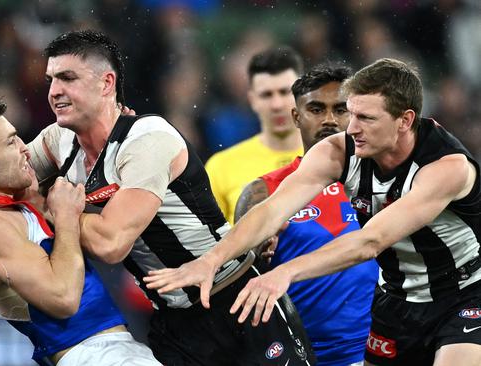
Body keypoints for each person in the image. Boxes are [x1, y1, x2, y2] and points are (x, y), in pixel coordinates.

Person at [144, 58, 481, 366]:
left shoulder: (445, 168)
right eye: (353, 114)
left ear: (405, 120)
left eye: (366, 118)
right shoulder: (337, 151)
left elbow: (371, 241)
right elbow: (272, 209)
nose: (351, 128)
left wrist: (284, 273)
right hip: (397, 297)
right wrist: (211, 259)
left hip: (466, 291)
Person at [27, 30, 315, 366]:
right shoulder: (57, 140)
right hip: (173, 322)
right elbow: (4, 173)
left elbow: (111, 243)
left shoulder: (147, 138)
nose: (54, 92)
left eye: (67, 78)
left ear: (106, 84)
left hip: (236, 299)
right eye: (51, 80)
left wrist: (49, 205)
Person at [0, 100, 161, 366]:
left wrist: (113, 128)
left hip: (113, 350)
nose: (25, 148)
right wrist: (65, 218)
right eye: (11, 142)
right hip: (92, 355)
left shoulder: (10, 202)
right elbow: (64, 298)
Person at [234, 64, 378, 366]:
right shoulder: (264, 193)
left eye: (340, 109)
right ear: (296, 117)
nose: (328, 120)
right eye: (316, 109)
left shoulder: (387, 181)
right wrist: (255, 254)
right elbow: (240, 279)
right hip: (302, 357)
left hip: (381, 352)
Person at [204, 46, 304, 224]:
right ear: (252, 100)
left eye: (284, 92)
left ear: (303, 95)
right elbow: (209, 241)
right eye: (266, 95)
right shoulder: (221, 167)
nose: (276, 104)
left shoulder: (333, 157)